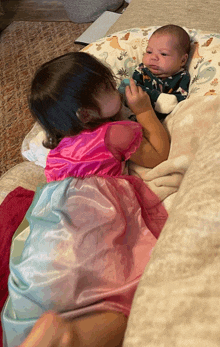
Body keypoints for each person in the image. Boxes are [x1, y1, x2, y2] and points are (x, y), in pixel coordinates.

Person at [2, 51, 170, 347]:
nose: (116, 86)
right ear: (85, 114)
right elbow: (159, 154)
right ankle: (66, 335)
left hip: (51, 231)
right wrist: (143, 111)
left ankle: (44, 330)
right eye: (108, 87)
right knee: (123, 301)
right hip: (93, 217)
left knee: (54, 290)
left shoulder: (55, 152)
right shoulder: (112, 134)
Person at [119, 24, 191, 121]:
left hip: (156, 120)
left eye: (163, 54)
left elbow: (180, 102)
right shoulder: (143, 69)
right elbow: (134, 88)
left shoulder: (182, 76)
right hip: (132, 111)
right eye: (149, 52)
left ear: (182, 60)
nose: (153, 57)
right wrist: (156, 97)